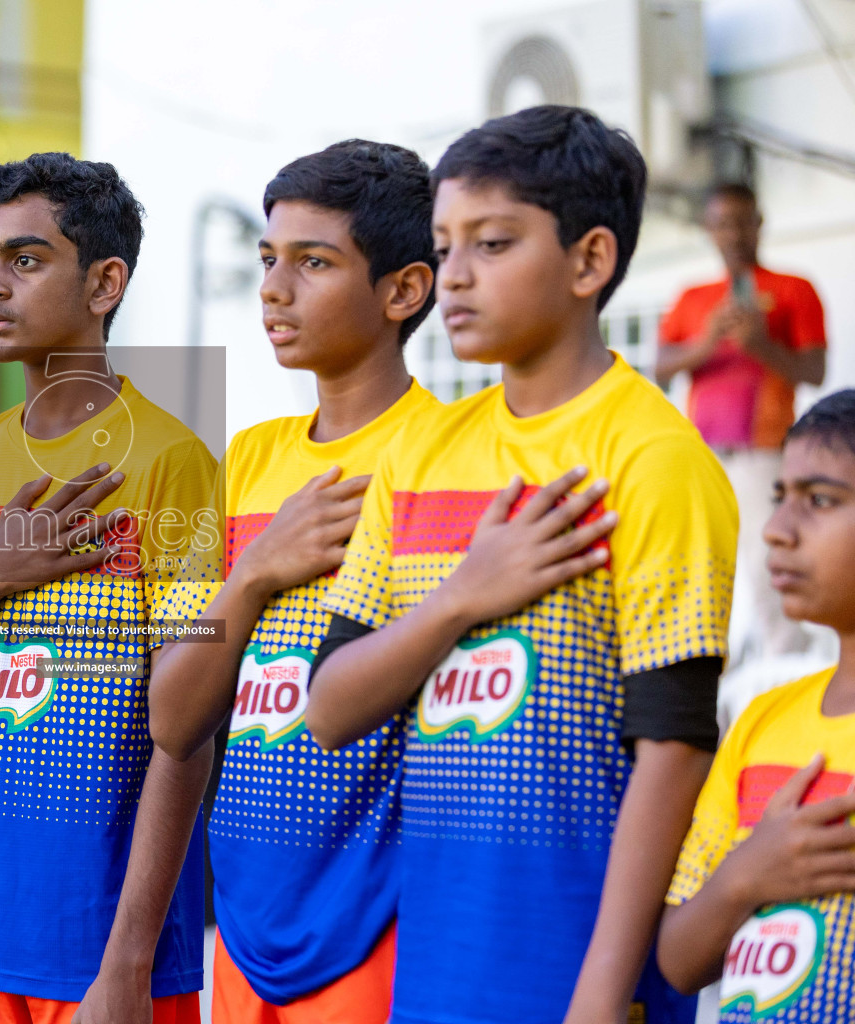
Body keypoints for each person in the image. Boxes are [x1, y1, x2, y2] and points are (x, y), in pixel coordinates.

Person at [304, 105, 738, 1024]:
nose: (452, 277)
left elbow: (673, 750)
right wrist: (464, 597)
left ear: (589, 262)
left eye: (493, 244)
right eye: (444, 244)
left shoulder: (653, 459)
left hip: (581, 970)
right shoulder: (421, 457)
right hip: (434, 960)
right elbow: (332, 706)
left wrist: (601, 994)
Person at [0, 152, 216, 1024]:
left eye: (25, 260)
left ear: (105, 282)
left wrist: (131, 961)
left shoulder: (177, 461)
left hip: (105, 952)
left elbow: (188, 733)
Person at [147, 140, 438, 1023]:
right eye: (269, 259)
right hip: (239, 925)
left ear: (403, 290)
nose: (273, 288)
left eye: (313, 263)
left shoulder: (443, 457)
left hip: (381, 921)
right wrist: (256, 573)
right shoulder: (246, 461)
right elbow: (174, 717)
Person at [657, 388, 855, 1022]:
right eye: (780, 498)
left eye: (820, 501)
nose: (776, 530)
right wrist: (752, 874)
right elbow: (680, 960)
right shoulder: (762, 721)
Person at [656, 183, 827, 661]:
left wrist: (761, 346)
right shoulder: (693, 297)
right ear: (709, 230)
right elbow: (660, 367)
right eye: (722, 223)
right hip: (701, 451)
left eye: (741, 221)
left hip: (764, 450)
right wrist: (708, 341)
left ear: (759, 222)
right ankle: (709, 669)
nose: (733, 233)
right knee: (698, 561)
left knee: (768, 558)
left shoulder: (795, 288)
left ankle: (785, 666)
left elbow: (815, 371)